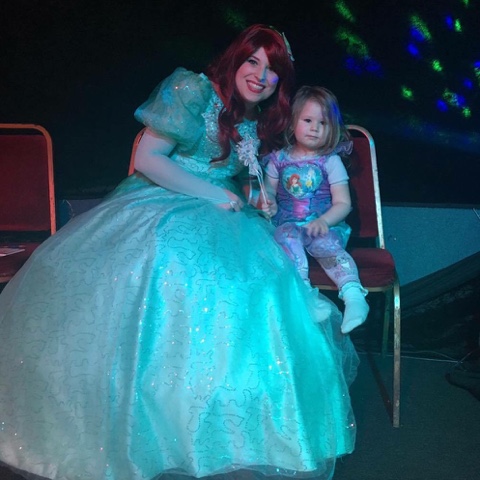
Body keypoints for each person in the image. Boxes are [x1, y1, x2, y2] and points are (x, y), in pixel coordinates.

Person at [0, 25, 358, 480]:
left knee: (258, 281)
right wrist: (213, 195)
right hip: (161, 201)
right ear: (235, 60)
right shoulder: (193, 90)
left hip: (225, 213)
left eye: (273, 70)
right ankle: (146, 418)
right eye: (253, 61)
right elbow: (148, 160)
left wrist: (256, 198)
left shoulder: (255, 121)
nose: (260, 75)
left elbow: (237, 179)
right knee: (167, 263)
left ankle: (226, 425)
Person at [261, 86, 369, 334]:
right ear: (292, 123)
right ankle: (306, 297)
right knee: (287, 239)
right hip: (288, 224)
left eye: (323, 123)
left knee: (326, 245)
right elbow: (267, 193)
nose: (315, 128)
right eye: (308, 120)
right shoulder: (278, 160)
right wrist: (268, 203)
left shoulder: (329, 160)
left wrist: (325, 221)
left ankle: (353, 296)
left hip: (321, 224)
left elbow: (343, 203)